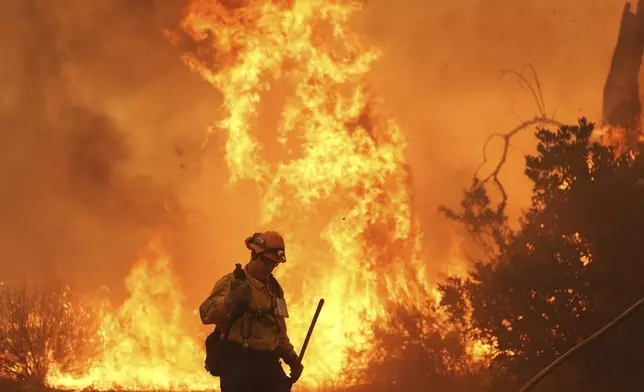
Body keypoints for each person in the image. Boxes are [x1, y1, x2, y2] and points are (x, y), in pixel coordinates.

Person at [199, 231, 304, 392]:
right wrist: (229, 302)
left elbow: (279, 331)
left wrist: (291, 358)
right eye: (266, 261)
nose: (269, 268)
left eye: (274, 264)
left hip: (268, 364)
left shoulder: (275, 290)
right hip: (239, 364)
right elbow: (205, 313)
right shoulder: (232, 282)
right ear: (254, 255)